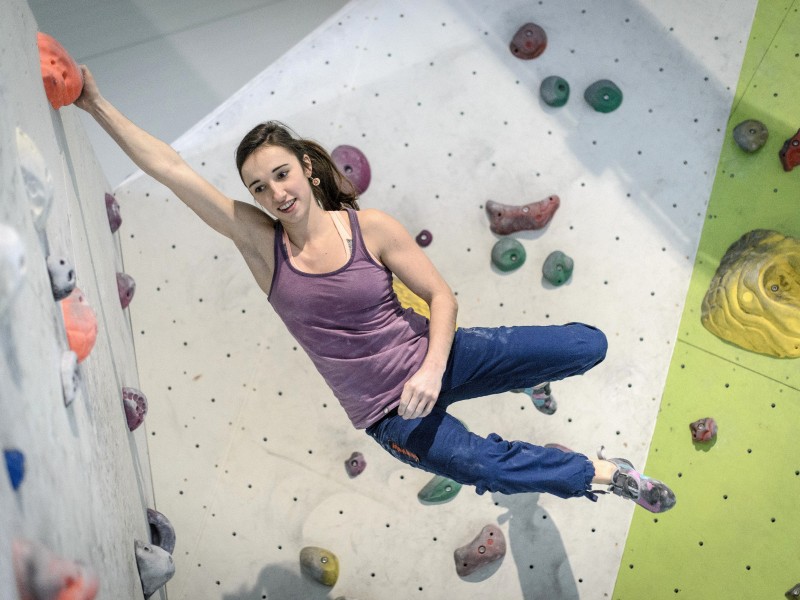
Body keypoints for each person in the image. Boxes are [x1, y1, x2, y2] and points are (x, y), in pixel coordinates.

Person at [75, 66, 676, 513]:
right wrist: (93, 99)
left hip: (438, 358)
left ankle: (526, 375)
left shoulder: (374, 229)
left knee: (588, 347)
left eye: (281, 173)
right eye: (259, 187)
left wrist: (431, 369)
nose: (276, 192)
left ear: (306, 168)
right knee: (487, 466)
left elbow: (442, 297)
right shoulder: (264, 247)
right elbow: (172, 168)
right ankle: (605, 473)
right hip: (389, 415)